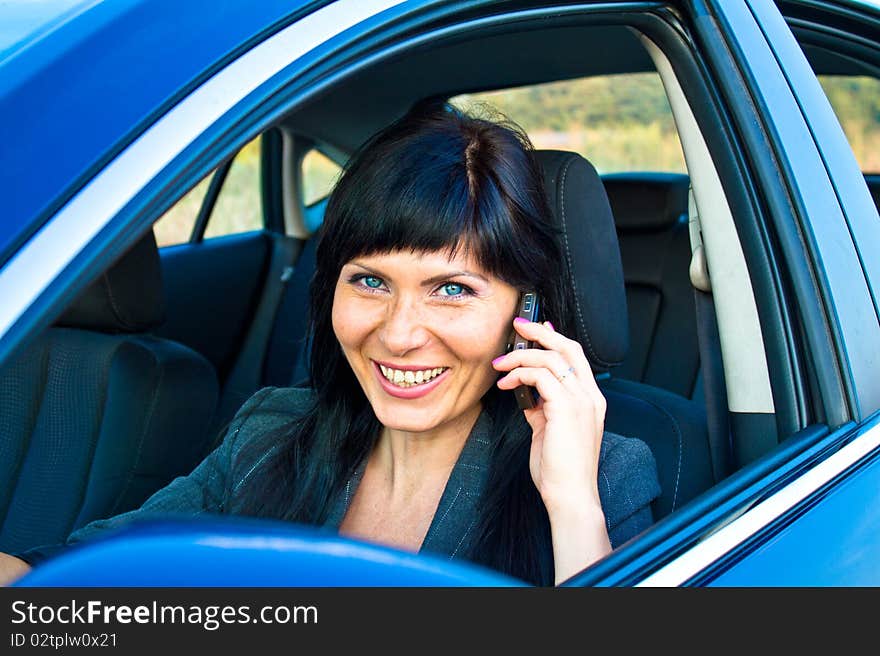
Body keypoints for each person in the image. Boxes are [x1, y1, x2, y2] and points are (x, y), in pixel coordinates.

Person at [0, 100, 660, 587]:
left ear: (528, 309)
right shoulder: (269, 433)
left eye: (452, 289)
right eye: (370, 280)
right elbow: (69, 579)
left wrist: (571, 501)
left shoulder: (601, 477)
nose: (399, 334)